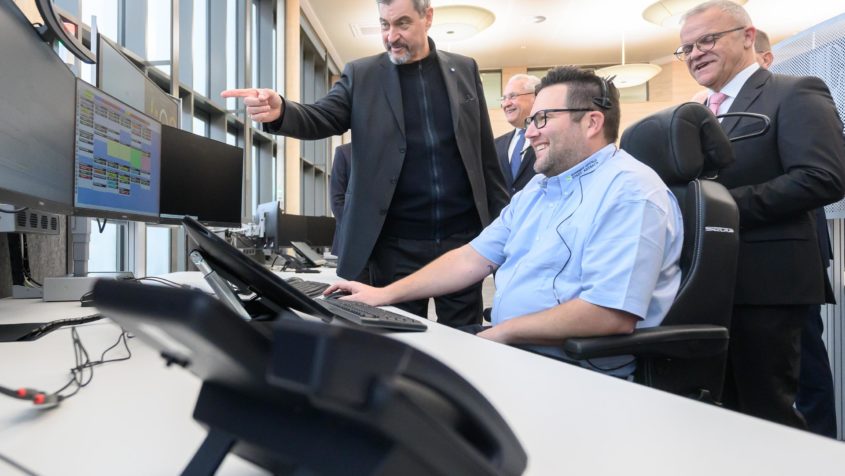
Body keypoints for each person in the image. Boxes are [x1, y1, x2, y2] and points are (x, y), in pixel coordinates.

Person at [325, 66, 684, 377]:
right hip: (519, 347)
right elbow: (471, 258)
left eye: (543, 119)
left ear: (592, 122)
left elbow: (609, 313)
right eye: (531, 121)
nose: (529, 133)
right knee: (378, 357)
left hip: (573, 368)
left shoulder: (631, 191)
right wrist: (382, 295)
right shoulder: (538, 189)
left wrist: (502, 333)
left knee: (404, 387)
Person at [222, 0, 508, 327]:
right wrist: (283, 111)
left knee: (465, 339)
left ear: (428, 18)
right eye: (384, 25)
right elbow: (322, 116)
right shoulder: (363, 74)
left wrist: (504, 229)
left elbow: (484, 156)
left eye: (402, 24)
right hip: (395, 247)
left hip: (463, 243)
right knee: (398, 343)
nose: (391, 36)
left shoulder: (464, 69)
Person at [677, 0, 845, 428]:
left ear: (748, 36)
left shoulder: (795, 91)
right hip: (713, 287)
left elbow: (822, 177)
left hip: (770, 285)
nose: (696, 53)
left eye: (707, 39)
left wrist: (717, 211)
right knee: (729, 414)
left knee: (770, 414)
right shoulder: (700, 114)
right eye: (688, 48)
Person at [756, 28, 838, 439]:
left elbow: (818, 176)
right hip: (744, 263)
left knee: (806, 367)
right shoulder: (710, 107)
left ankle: (822, 450)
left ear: (764, 57)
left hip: (794, 252)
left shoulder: (795, 92)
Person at [329, 142, 370, 283]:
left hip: (386, 245)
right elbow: (337, 200)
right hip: (353, 243)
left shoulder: (390, 150)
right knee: (355, 300)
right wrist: (356, 232)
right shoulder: (344, 152)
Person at [495, 74, 541, 196]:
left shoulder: (551, 139)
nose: (506, 104)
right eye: (503, 98)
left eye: (513, 96)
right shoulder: (495, 145)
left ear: (536, 96)